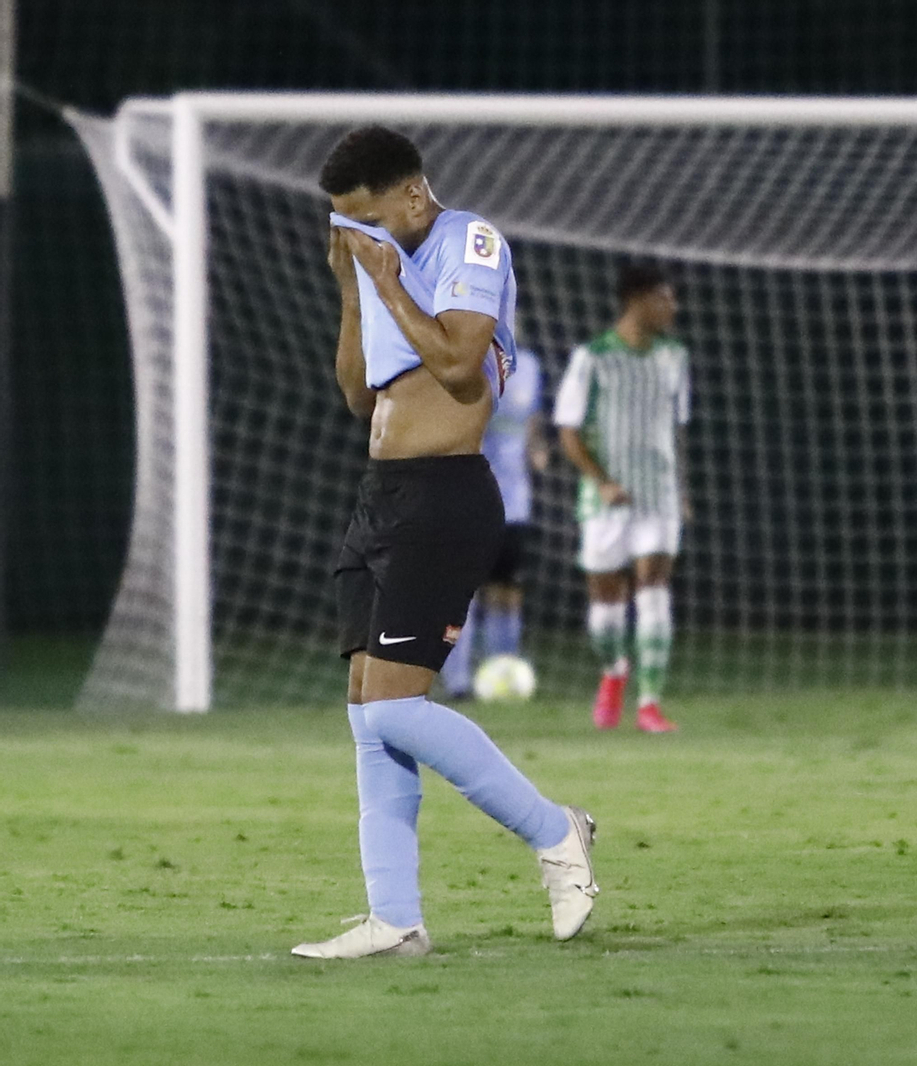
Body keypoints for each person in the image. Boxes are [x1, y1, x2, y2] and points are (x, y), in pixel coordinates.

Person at [292, 126, 597, 960]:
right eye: (344, 224)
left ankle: (556, 832)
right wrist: (355, 291)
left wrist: (389, 285)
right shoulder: (380, 269)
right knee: (369, 714)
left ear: (411, 195)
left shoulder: (469, 241)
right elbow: (358, 396)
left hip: (445, 495)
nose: (359, 235)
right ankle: (395, 921)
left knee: (397, 704)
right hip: (381, 497)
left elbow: (463, 367)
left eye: (366, 218)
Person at [554, 263, 690, 733]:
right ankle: (614, 672)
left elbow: (675, 429)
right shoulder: (592, 357)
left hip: (659, 493)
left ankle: (650, 704)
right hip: (606, 499)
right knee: (605, 608)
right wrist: (601, 480)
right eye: (665, 298)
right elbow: (568, 431)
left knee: (654, 588)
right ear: (638, 300)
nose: (673, 308)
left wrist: (682, 489)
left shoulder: (674, 356)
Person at [439, 349, 551, 699]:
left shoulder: (530, 365)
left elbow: (532, 420)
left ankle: (501, 677)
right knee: (463, 593)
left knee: (507, 592)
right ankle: (457, 682)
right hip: (468, 497)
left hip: (515, 502)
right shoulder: (466, 361)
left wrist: (537, 450)